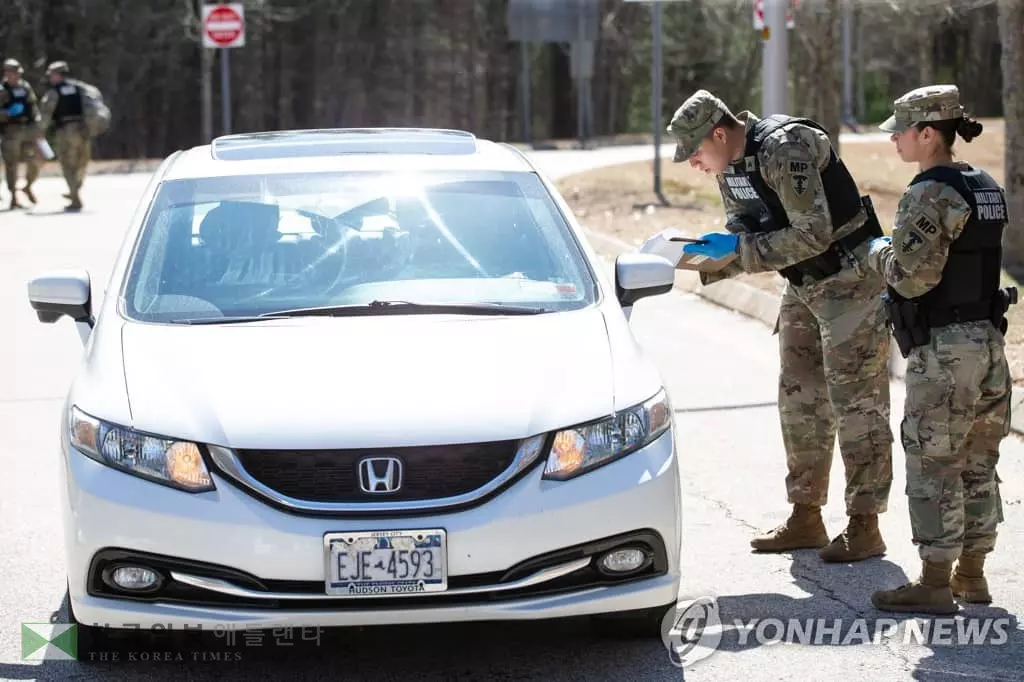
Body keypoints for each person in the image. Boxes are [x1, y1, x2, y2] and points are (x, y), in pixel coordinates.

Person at [667, 89, 894, 563]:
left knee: (858, 406)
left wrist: (738, 253)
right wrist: (695, 256)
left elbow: (812, 233)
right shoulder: (731, 166)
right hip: (803, 288)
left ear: (720, 133)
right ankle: (806, 517)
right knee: (800, 402)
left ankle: (865, 525)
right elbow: (746, 229)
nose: (694, 164)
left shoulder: (783, 149)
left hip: (849, 282)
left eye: (695, 153)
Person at [867, 85, 1014, 614]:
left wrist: (876, 252)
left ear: (928, 134)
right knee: (979, 461)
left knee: (934, 462)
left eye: (900, 131)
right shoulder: (986, 184)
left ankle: (933, 582)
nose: (895, 141)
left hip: (946, 352)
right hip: (989, 345)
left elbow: (910, 278)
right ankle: (971, 576)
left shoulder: (929, 192)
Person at [38, 61, 94, 211]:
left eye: (51, 75)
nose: (50, 78)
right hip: (82, 130)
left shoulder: (54, 92)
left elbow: (46, 114)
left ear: (57, 75)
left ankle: (75, 197)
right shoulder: (79, 88)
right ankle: (75, 190)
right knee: (81, 163)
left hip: (65, 132)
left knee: (68, 165)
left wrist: (39, 131)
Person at [0, 58, 41, 209]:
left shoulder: (25, 87)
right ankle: (13, 197)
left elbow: (33, 105)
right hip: (10, 131)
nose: (16, 76)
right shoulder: (2, 90)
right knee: (12, 165)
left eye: (18, 73)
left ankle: (28, 185)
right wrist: (7, 113)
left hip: (28, 129)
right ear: (7, 73)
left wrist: (37, 123)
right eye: (13, 73)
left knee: (35, 160)